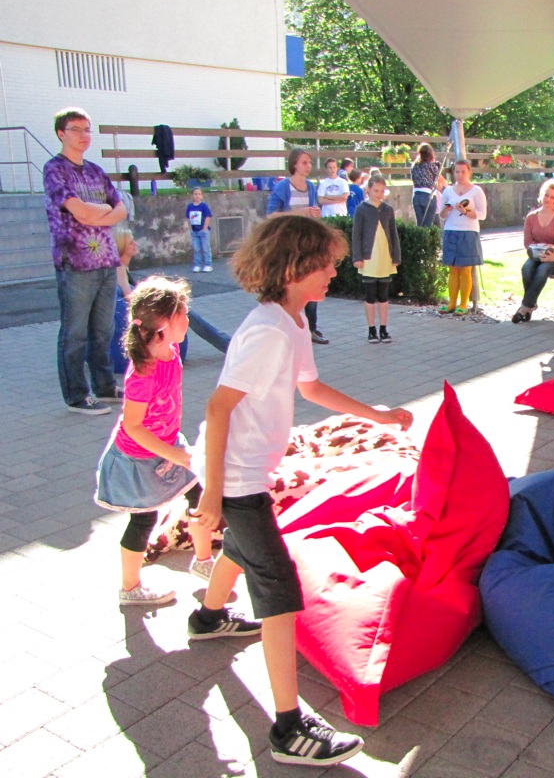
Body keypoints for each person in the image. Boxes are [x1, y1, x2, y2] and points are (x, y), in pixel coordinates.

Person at [187, 215, 413, 767]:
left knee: (243, 548)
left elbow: (310, 388)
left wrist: (378, 416)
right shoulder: (268, 332)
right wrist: (212, 496)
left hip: (244, 473)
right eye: (327, 265)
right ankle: (288, 729)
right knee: (280, 590)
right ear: (293, 269)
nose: (335, 272)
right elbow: (217, 408)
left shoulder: (291, 321)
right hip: (235, 477)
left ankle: (208, 618)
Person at [95, 277, 217, 605]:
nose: (189, 320)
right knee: (143, 519)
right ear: (165, 322)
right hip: (139, 459)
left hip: (169, 446)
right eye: (184, 314)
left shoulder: (171, 352)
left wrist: (175, 451)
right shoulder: (142, 374)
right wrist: (176, 455)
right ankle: (130, 588)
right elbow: (134, 427)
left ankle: (203, 562)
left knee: (200, 496)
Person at [44, 107, 127, 415]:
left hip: (106, 261)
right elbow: (78, 211)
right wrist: (100, 211)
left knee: (103, 331)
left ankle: (105, 387)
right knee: (75, 333)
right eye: (76, 129)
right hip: (75, 264)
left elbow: (121, 209)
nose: (84, 135)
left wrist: (96, 213)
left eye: (87, 129)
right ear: (61, 134)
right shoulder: (55, 169)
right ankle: (77, 396)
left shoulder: (96, 171)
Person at [267, 148, 328, 345]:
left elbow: (312, 212)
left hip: (306, 243)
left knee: (311, 283)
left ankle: (311, 328)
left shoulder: (311, 186)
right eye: (304, 162)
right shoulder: (283, 187)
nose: (308, 166)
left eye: (310, 162)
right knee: (290, 285)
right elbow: (271, 215)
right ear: (294, 164)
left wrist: (315, 214)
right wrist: (301, 212)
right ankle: (289, 326)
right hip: (288, 244)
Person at [352, 175, 401, 343]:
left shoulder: (388, 210)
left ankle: (384, 329)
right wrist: (357, 257)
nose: (379, 194)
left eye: (382, 191)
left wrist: (396, 256)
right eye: (375, 191)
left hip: (385, 257)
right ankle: (371, 329)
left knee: (383, 295)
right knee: (370, 295)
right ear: (368, 190)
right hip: (369, 259)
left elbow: (393, 234)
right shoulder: (361, 209)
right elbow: (356, 234)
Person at [512, 179, 554, 324]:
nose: (548, 199)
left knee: (542, 270)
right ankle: (531, 305)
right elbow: (527, 242)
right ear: (542, 195)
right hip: (537, 255)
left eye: (552, 197)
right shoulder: (531, 217)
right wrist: (540, 250)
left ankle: (524, 308)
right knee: (526, 269)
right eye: (546, 195)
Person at [439, 160, 487, 314]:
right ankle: (452, 303)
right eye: (457, 172)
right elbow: (441, 214)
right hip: (451, 230)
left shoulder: (476, 191)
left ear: (469, 172)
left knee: (465, 269)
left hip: (469, 232)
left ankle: (463, 304)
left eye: (463, 172)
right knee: (453, 269)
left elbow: (482, 215)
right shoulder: (448, 191)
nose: (460, 175)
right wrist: (448, 209)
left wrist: (465, 211)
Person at [411, 142, 445, 227]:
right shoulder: (431, 166)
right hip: (428, 195)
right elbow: (439, 179)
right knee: (428, 225)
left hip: (416, 196)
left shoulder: (414, 166)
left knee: (420, 224)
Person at [185, 187, 213, 273]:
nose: (197, 196)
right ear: (192, 195)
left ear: (202, 196)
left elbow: (208, 217)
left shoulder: (204, 206)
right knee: (196, 249)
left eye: (199, 194)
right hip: (194, 231)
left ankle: (208, 264)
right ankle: (197, 265)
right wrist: (190, 229)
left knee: (206, 248)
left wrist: (204, 229)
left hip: (203, 231)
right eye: (195, 194)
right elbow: (188, 218)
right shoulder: (190, 206)